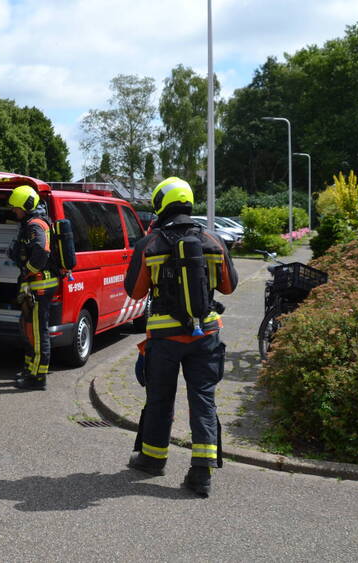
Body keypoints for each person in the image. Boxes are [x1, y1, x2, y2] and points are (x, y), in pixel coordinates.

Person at [123, 176, 238, 497]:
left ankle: (152, 460)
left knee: (160, 399)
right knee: (203, 398)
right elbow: (229, 286)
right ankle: (201, 474)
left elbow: (134, 291)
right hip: (207, 333)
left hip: (164, 337)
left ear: (161, 203)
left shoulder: (151, 244)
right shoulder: (213, 241)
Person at [7, 185, 60, 390]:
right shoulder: (31, 223)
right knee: (29, 329)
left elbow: (41, 251)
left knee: (38, 332)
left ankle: (38, 377)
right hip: (34, 283)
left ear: (27, 206)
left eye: (16, 207)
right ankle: (30, 369)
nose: (14, 211)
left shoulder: (36, 225)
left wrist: (27, 271)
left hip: (41, 284)